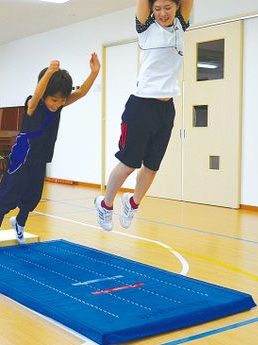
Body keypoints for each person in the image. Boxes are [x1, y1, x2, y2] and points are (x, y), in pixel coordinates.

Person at [95, 0, 193, 231]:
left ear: (177, 7)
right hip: (141, 106)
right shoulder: (146, 28)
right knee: (129, 164)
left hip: (166, 108)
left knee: (151, 167)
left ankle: (132, 202)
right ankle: (105, 204)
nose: (162, 13)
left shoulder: (181, 25)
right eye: (157, 9)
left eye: (168, 7)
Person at [0, 53, 101, 246]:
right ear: (45, 95)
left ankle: (19, 222)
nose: (57, 104)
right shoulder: (33, 106)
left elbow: (81, 92)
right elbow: (38, 95)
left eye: (62, 100)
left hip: (41, 156)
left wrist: (94, 72)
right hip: (23, 155)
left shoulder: (59, 107)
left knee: (33, 194)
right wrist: (48, 73)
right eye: (53, 100)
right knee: (11, 190)